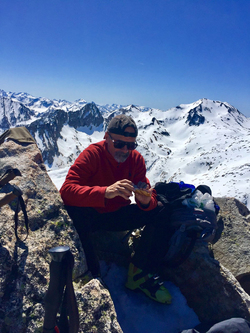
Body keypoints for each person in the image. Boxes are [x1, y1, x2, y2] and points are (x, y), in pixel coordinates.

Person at [60, 114, 172, 304]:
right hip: (91, 214)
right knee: (75, 211)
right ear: (106, 137)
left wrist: (145, 202)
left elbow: (148, 193)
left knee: (162, 210)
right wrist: (104, 192)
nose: (125, 150)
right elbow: (67, 190)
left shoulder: (136, 160)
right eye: (119, 143)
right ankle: (93, 277)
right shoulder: (93, 154)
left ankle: (139, 273)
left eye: (131, 145)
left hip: (116, 215)